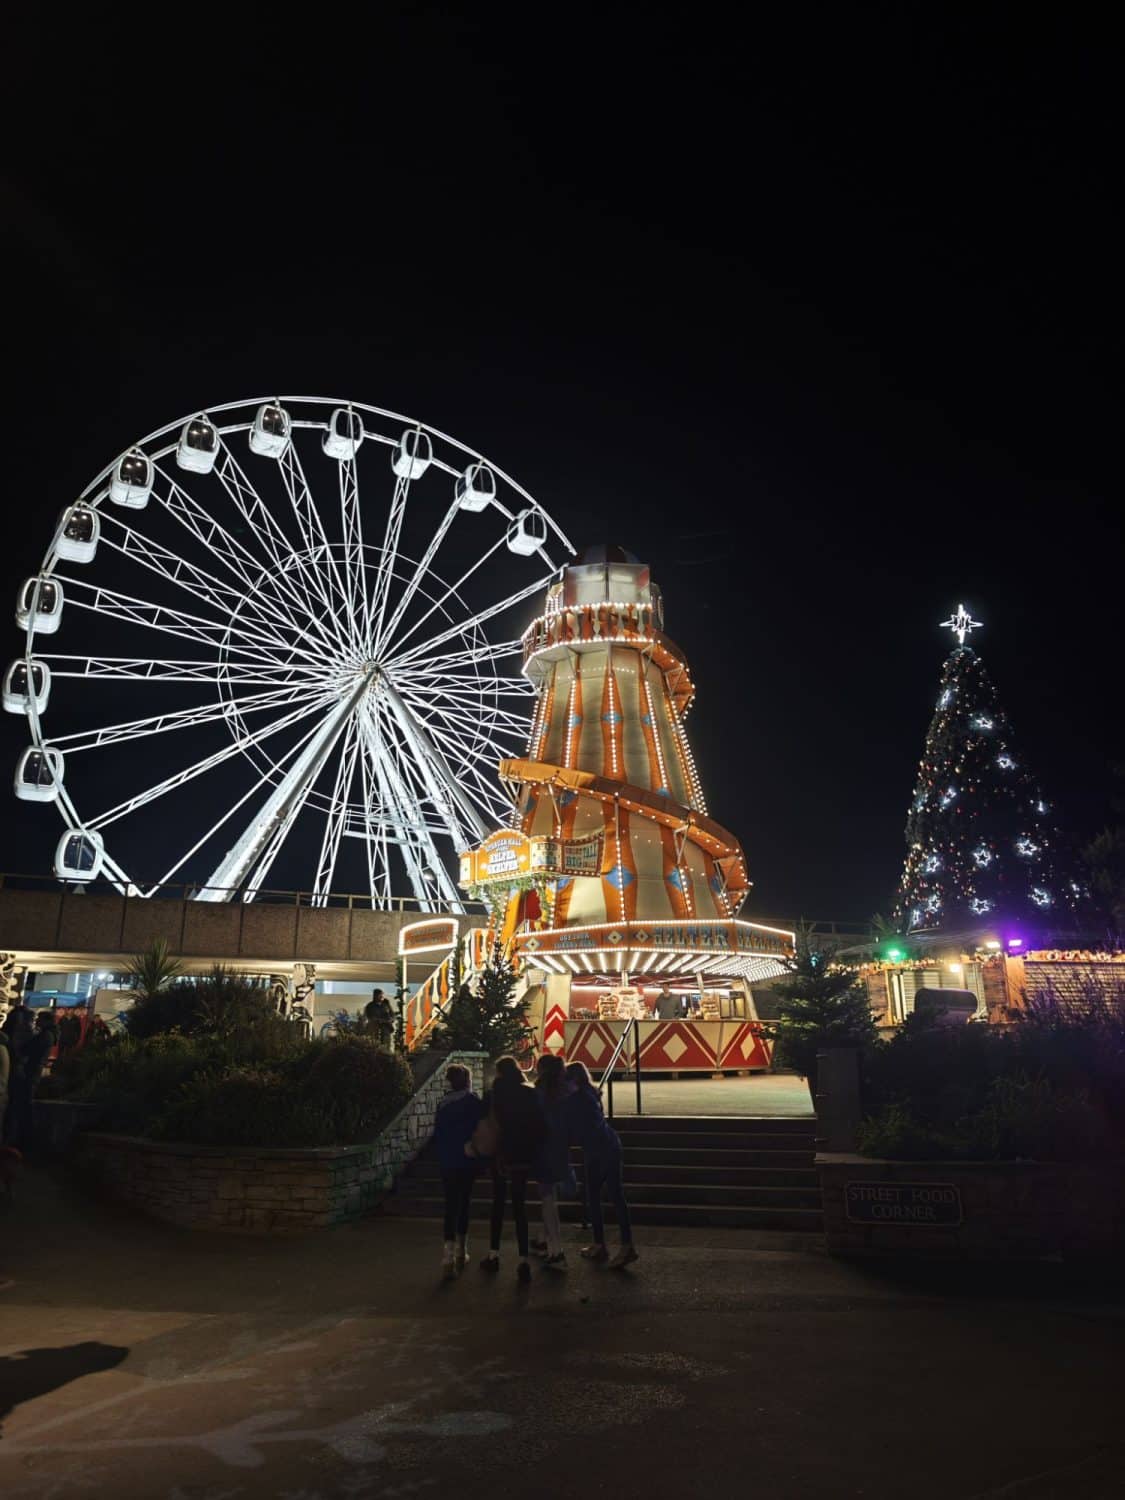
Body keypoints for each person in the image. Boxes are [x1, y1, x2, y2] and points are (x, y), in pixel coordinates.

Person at [469, 1055, 546, 1282]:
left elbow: (483, 1122)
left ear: (500, 1073)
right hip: (522, 1156)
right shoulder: (530, 1093)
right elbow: (539, 1125)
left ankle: (494, 1254)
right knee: (520, 1206)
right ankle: (523, 1261)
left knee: (499, 1204)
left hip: (500, 1156)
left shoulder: (493, 1096)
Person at [565, 1061, 638, 1269]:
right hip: (605, 1146)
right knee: (598, 1195)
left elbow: (575, 1126)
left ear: (574, 1080)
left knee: (610, 1195)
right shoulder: (590, 1094)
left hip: (601, 1149)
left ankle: (623, 1246)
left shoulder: (579, 1099)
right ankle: (605, 1244)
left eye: (566, 1081)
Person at [533, 1054, 575, 1270]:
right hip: (560, 1148)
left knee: (547, 1199)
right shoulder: (565, 1093)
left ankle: (555, 1249)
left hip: (543, 1148)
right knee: (550, 1197)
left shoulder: (538, 1093)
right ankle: (543, 1239)